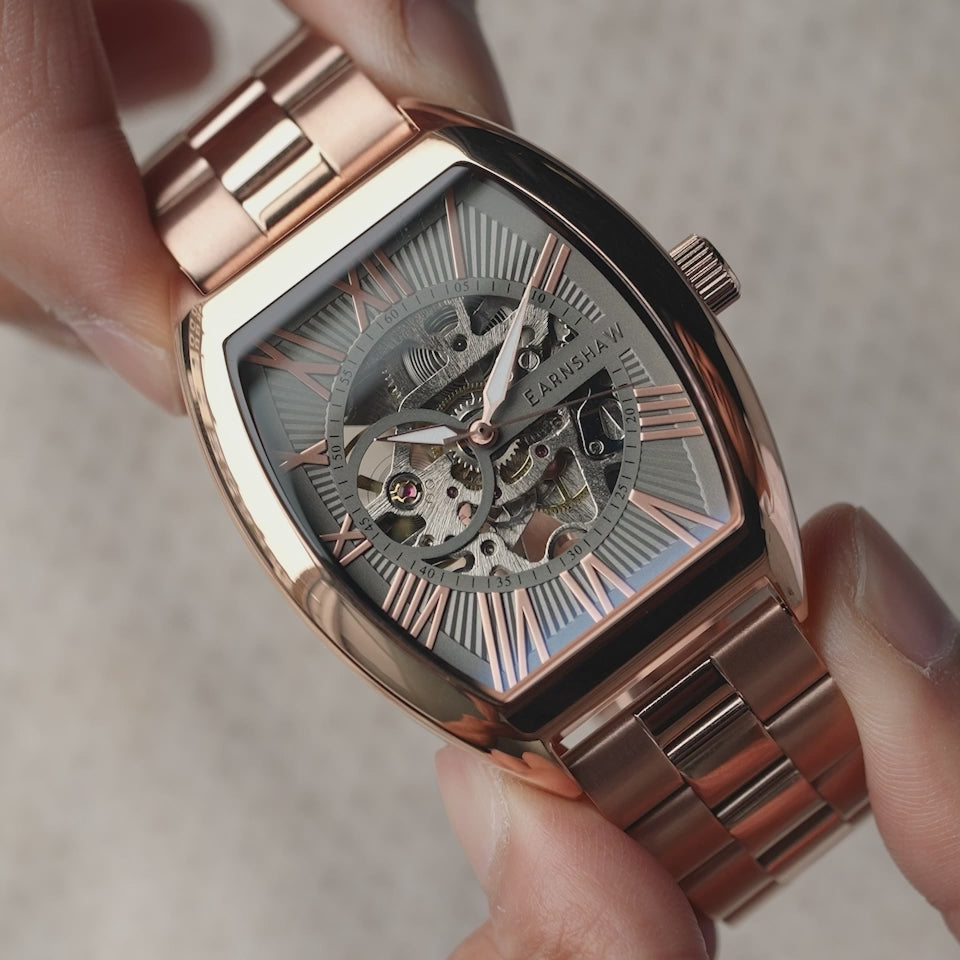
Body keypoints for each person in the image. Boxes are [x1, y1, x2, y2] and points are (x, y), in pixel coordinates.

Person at [1, 2, 956, 956]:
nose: (482, 437)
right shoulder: (233, 342)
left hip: (710, 567)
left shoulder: (424, 180)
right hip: (578, 676)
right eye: (449, 453)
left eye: (481, 426)